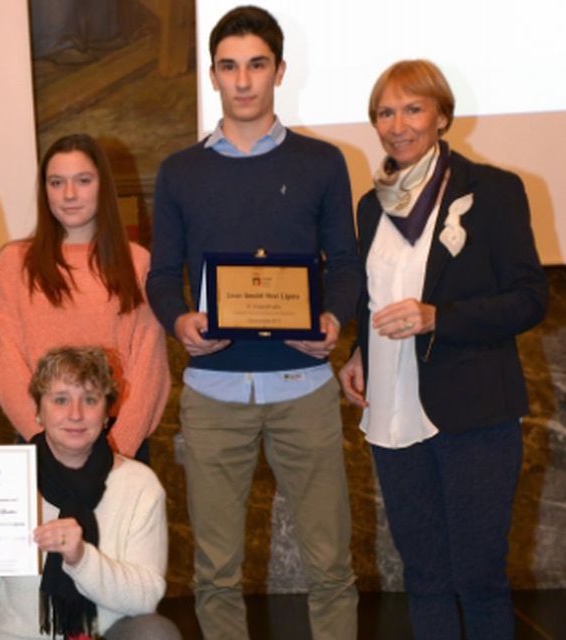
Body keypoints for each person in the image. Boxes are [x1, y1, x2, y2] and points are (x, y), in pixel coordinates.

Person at [145, 6, 362, 639]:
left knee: (330, 566)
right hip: (213, 397)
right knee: (215, 572)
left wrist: (331, 318)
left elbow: (345, 264)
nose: (243, 80)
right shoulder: (180, 171)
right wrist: (179, 321)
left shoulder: (321, 162)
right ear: (212, 75)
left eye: (256, 65)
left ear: (280, 71)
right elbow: (162, 276)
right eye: (229, 66)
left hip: (304, 392)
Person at [338, 59, 548, 640]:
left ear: (442, 116)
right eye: (385, 112)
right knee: (424, 576)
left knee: (478, 577)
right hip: (392, 411)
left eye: (413, 108)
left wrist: (439, 318)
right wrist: (358, 352)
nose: (397, 124)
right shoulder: (369, 206)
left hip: (473, 411)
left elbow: (530, 299)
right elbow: (374, 293)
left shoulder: (495, 190)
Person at [0, 347, 180, 640]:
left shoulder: (139, 484)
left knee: (155, 633)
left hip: (104, 634)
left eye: (90, 400)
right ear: (38, 411)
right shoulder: (3, 477)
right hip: (16, 636)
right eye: (60, 400)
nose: (75, 414)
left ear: (108, 412)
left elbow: (146, 597)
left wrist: (81, 558)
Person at [0, 133, 169, 462]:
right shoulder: (14, 263)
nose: (69, 194)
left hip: (119, 446)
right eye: (56, 183)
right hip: (40, 445)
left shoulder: (136, 262)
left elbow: (148, 365)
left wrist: (116, 450)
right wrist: (46, 439)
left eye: (83, 181)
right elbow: (5, 358)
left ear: (102, 186)